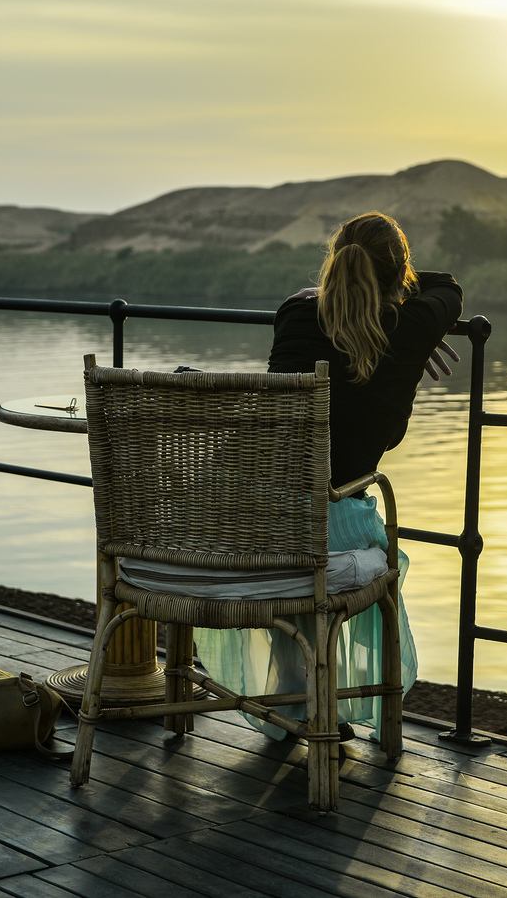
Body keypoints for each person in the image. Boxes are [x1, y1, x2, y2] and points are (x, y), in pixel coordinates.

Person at [195, 211, 462, 740]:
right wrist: (408, 311)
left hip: (249, 517)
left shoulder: (295, 312)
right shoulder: (410, 325)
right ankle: (325, 701)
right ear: (398, 274)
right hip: (328, 517)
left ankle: (297, 693)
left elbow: (320, 301)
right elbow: (447, 288)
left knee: (294, 512)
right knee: (341, 521)